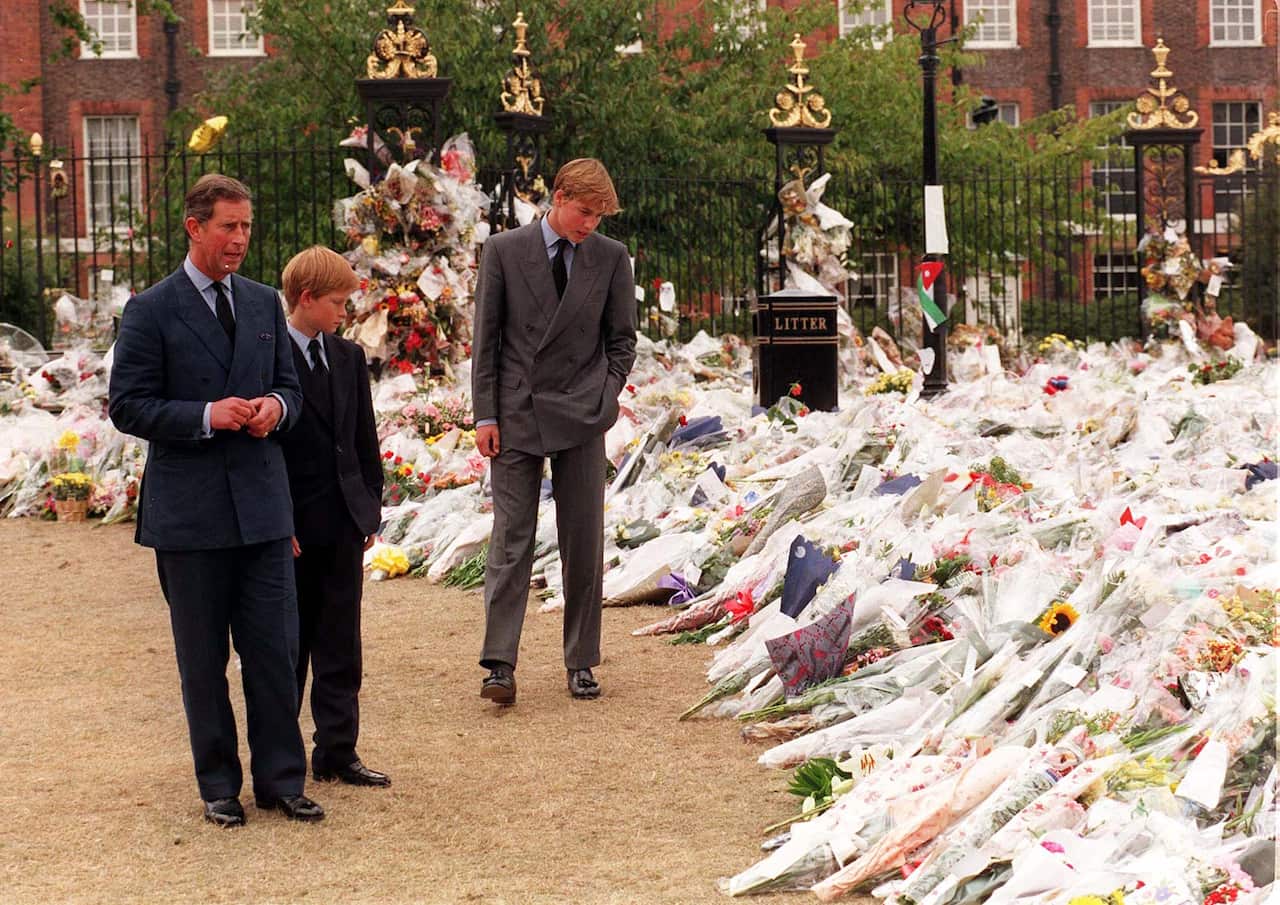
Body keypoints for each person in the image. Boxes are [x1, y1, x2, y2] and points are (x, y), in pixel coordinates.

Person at [108, 174, 323, 827]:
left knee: (275, 653)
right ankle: (219, 786)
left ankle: (282, 781)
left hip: (262, 509)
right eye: (229, 226)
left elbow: (292, 388)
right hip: (190, 516)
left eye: (246, 226)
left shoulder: (262, 303)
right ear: (194, 227)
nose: (240, 239)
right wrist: (207, 414)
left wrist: (275, 407)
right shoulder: (150, 310)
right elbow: (127, 406)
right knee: (203, 661)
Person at [471, 158, 637, 704]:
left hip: (583, 413)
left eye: (599, 216)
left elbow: (623, 340)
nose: (590, 224)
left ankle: (581, 661)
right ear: (559, 197)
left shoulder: (611, 257)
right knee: (511, 539)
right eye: (584, 211)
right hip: (516, 411)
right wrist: (485, 415)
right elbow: (486, 340)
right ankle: (499, 663)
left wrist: (606, 394)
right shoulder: (503, 250)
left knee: (583, 541)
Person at [278, 246, 389, 788]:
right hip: (294, 527)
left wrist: (368, 506)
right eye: (338, 303)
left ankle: (338, 751)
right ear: (306, 298)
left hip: (344, 520)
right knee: (289, 648)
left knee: (342, 643)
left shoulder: (347, 356)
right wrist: (279, 522)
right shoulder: (270, 356)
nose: (346, 312)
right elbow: (266, 452)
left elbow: (364, 438)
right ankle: (282, 760)